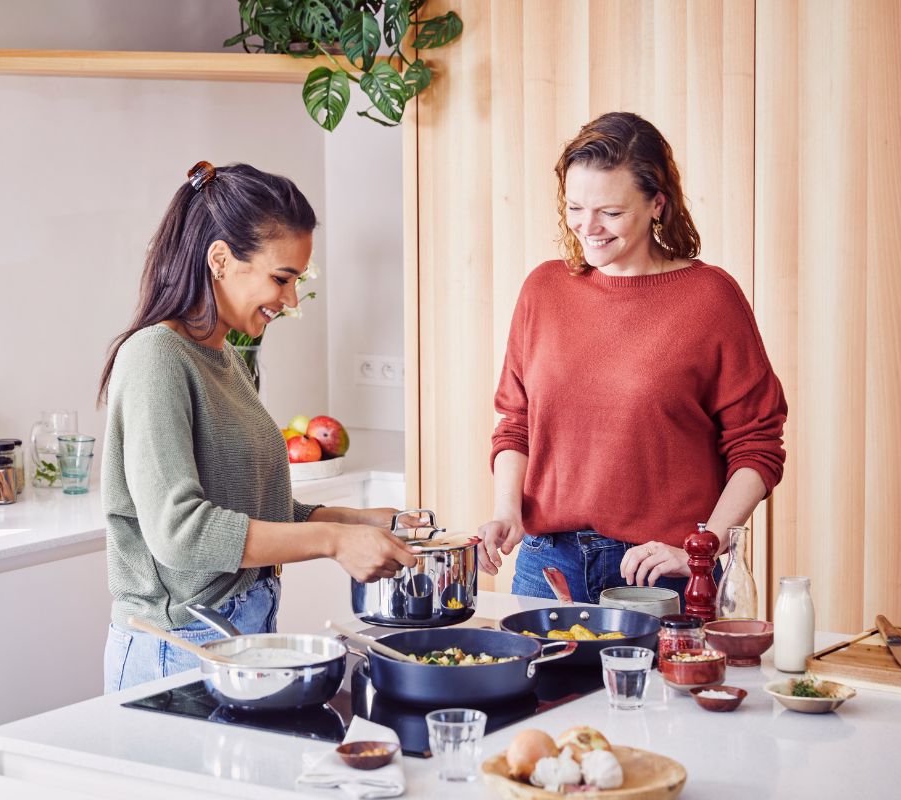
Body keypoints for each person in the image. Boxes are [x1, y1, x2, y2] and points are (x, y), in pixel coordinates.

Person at [98, 161, 418, 693]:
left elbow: (251, 506)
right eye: (281, 278)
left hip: (235, 636)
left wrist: (357, 519)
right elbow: (181, 533)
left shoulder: (224, 357)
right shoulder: (155, 356)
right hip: (175, 650)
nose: (291, 301)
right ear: (220, 259)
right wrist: (333, 540)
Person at [477, 112, 787, 606]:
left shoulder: (710, 299)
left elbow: (758, 445)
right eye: (575, 207)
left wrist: (703, 550)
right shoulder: (544, 289)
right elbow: (516, 422)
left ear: (657, 205)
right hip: (546, 565)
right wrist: (507, 511)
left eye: (611, 212)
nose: (588, 227)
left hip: (658, 576)